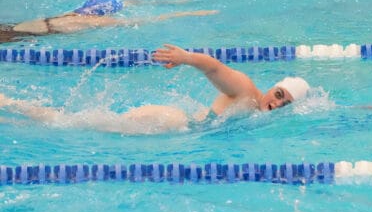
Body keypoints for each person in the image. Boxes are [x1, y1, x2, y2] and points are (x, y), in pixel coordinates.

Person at [0, 43, 311, 135]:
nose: (276, 104)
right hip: (172, 122)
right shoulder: (247, 92)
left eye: (285, 105)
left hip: (178, 127)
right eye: (279, 95)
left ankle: (10, 107)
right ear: (274, 88)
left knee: (76, 122)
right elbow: (216, 68)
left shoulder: (259, 115)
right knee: (68, 123)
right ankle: (8, 103)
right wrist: (187, 58)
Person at [0, 0, 218, 43]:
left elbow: (144, 20)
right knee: (126, 2)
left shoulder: (86, 17)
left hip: (19, 30)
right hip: (23, 32)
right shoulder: (86, 16)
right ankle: (177, 1)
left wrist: (185, 12)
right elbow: (144, 19)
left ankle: (178, 3)